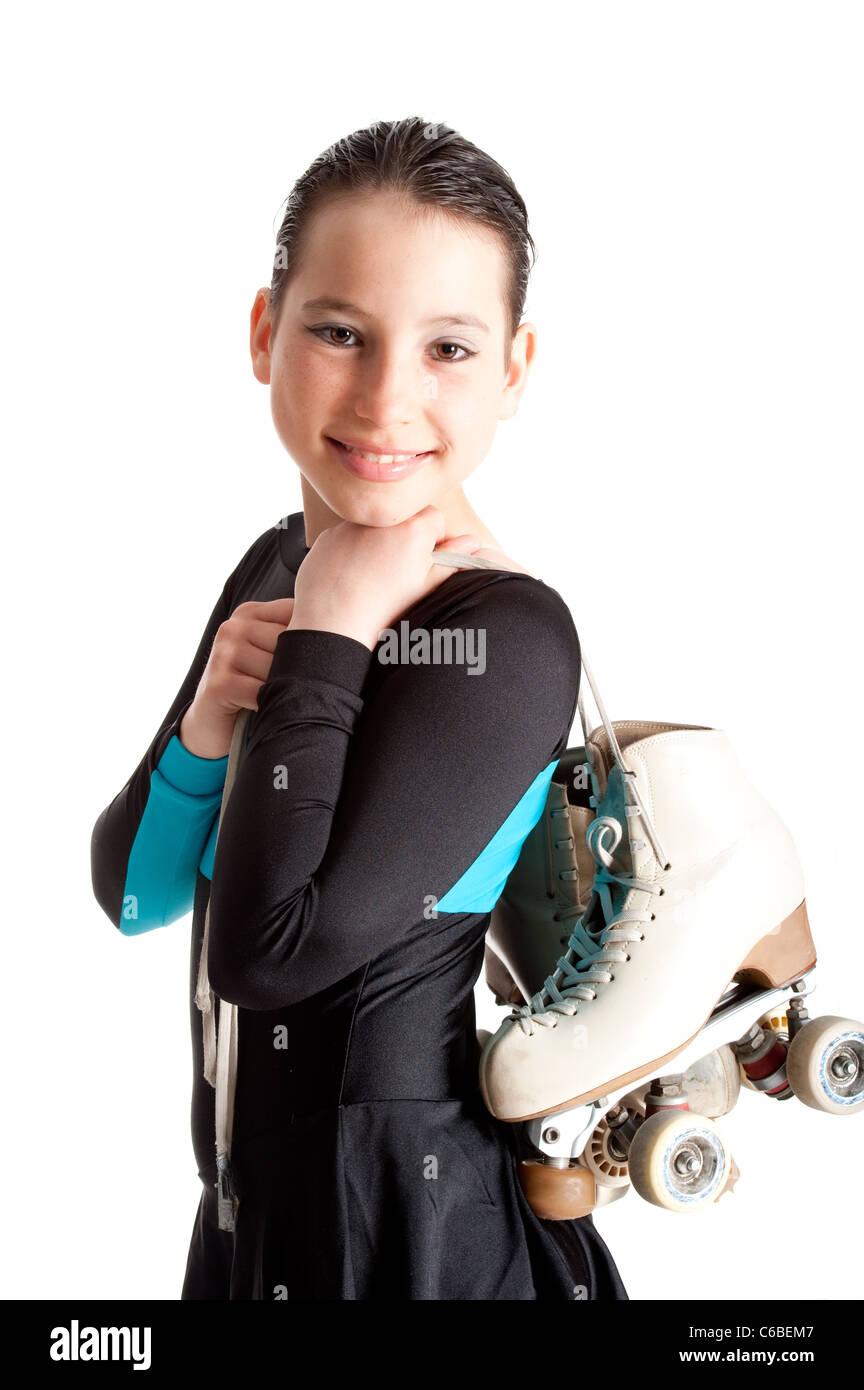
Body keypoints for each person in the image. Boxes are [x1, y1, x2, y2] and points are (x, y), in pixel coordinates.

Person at [90, 115, 628, 1301]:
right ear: (263, 333)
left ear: (515, 372)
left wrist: (331, 636)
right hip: (249, 1224)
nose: (388, 399)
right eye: (340, 332)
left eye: (448, 347)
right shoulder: (276, 565)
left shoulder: (506, 636)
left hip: (411, 1235)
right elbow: (130, 890)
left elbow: (267, 956)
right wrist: (209, 725)